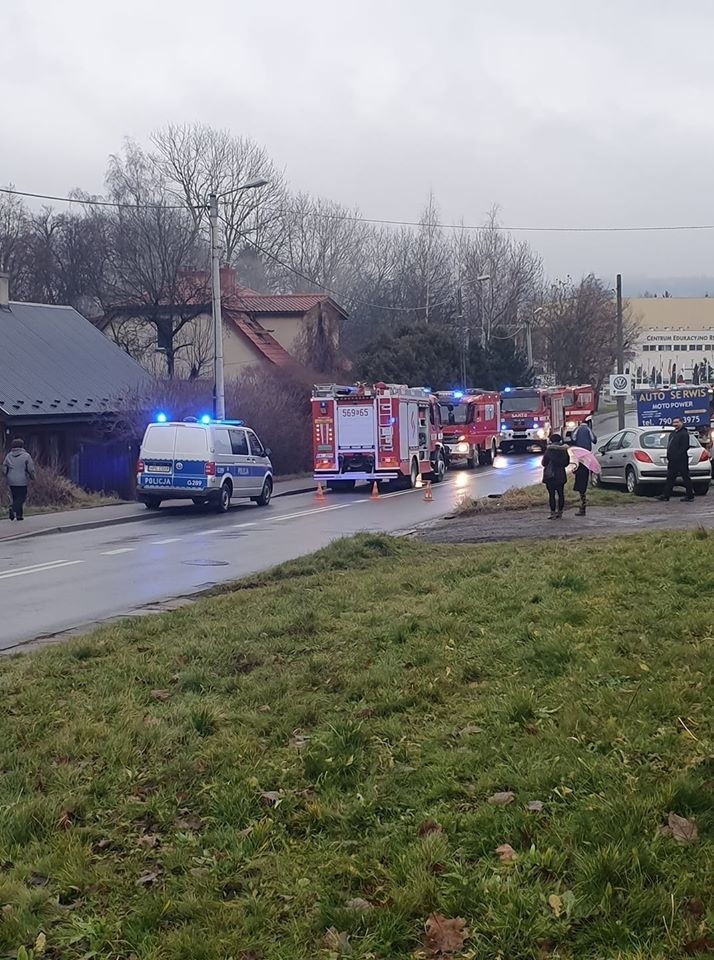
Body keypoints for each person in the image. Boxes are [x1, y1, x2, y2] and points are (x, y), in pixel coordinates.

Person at [657, 418, 694, 502]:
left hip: (681, 460)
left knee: (685, 477)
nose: (675, 424)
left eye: (677, 422)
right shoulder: (673, 433)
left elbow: (685, 447)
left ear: (681, 422)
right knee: (670, 478)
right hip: (672, 460)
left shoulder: (684, 433)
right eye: (674, 422)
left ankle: (690, 495)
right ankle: (666, 495)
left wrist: (677, 456)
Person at [2, 438, 36, 521]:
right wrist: (32, 477)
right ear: (22, 446)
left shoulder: (8, 455)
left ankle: (19, 516)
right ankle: (13, 509)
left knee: (15, 497)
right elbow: (30, 469)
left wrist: (6, 474)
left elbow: (4, 467)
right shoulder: (26, 456)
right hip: (22, 480)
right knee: (21, 498)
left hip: (11, 480)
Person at [571, 417, 597, 516]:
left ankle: (582, 503)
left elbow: (573, 438)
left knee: (580, 474)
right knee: (585, 473)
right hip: (587, 454)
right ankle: (583, 497)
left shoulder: (577, 429)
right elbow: (594, 440)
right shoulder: (588, 429)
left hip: (580, 453)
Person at [541, 432, 570, 519]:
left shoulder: (549, 450)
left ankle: (552, 513)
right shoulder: (564, 450)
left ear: (551, 440)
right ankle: (560, 512)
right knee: (561, 494)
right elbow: (566, 463)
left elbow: (544, 463)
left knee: (551, 495)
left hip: (550, 476)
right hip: (561, 475)